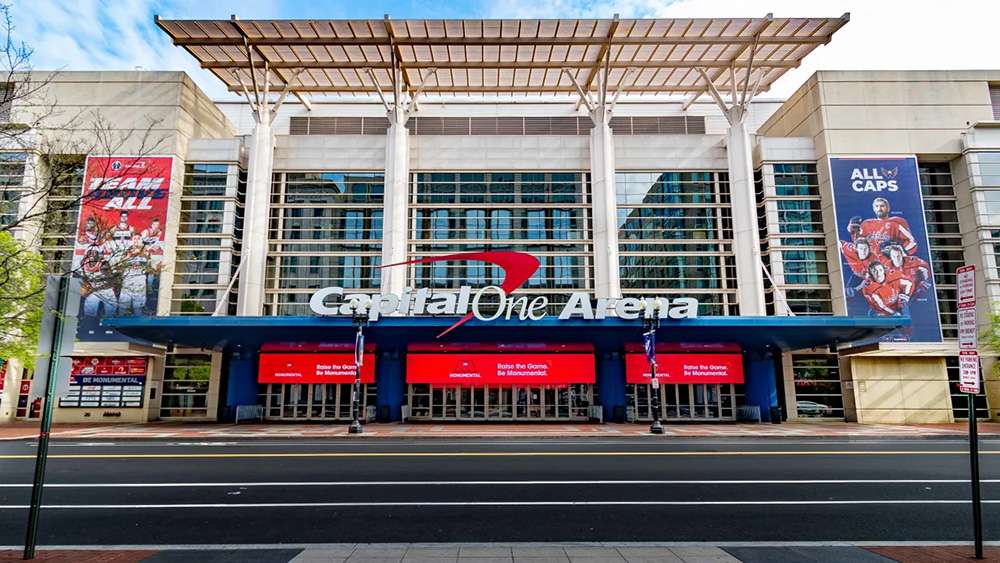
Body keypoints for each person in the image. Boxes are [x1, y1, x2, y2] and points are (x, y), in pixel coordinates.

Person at [847, 197, 918, 255]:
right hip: (872, 261)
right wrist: (853, 231)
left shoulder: (896, 222)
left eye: (882, 206)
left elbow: (912, 241)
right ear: (874, 209)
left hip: (890, 262)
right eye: (877, 206)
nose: (879, 209)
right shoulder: (866, 224)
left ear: (888, 208)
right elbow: (858, 243)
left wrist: (901, 252)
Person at [81, 246, 118, 318]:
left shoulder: (103, 264)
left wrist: (94, 289)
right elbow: (85, 278)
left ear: (98, 254)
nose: (91, 254)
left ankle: (109, 327)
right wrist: (85, 288)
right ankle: (90, 326)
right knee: (89, 313)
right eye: (90, 252)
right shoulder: (83, 264)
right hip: (93, 291)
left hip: (106, 290)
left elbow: (110, 281)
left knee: (111, 312)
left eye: (94, 252)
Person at [118, 234, 149, 314]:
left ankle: (138, 325)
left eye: (138, 239)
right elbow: (119, 265)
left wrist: (140, 251)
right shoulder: (126, 252)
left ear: (141, 241)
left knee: (138, 309)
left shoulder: (146, 252)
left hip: (139, 284)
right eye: (134, 238)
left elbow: (148, 264)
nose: (136, 240)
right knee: (122, 309)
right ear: (131, 240)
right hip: (127, 284)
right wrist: (129, 255)